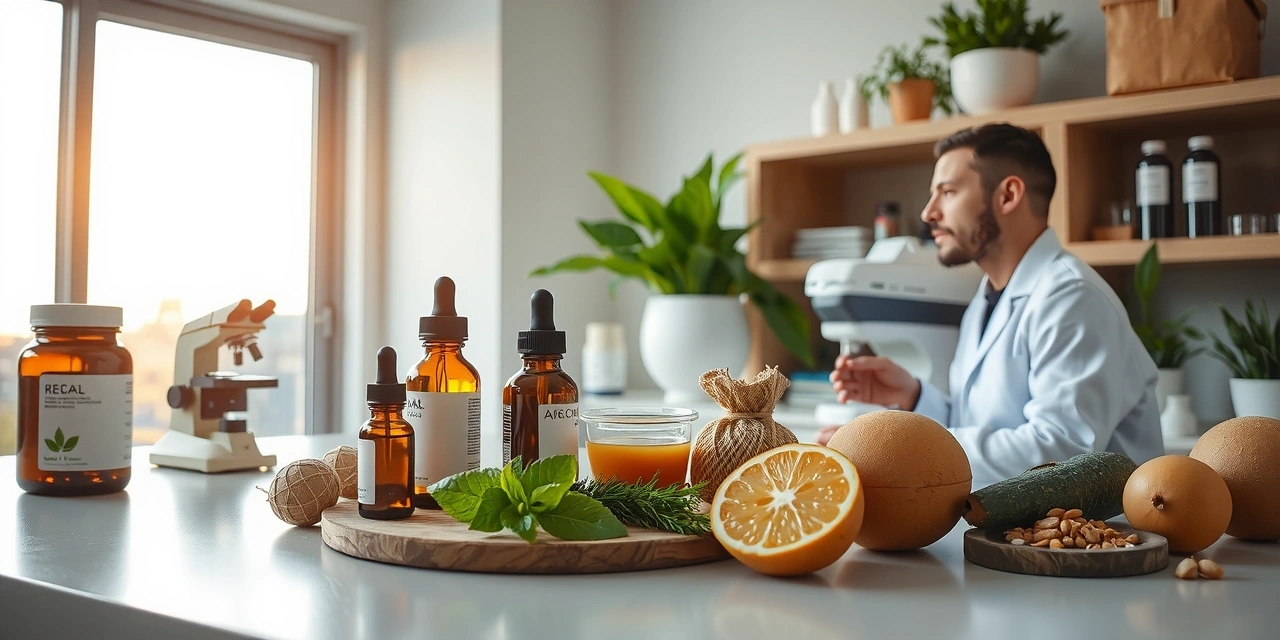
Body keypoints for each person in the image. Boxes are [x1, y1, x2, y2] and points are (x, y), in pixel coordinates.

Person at [820, 123, 1163, 488]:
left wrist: (896, 449)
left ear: (1008, 195)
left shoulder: (1073, 298)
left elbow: (1060, 455)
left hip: (1094, 538)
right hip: (1015, 534)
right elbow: (980, 426)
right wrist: (915, 397)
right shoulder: (986, 299)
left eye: (947, 192)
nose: (928, 213)